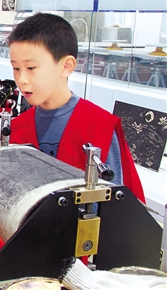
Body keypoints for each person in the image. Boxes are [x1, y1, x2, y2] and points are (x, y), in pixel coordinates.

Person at [8, 13, 145, 202]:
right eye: (16, 68)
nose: (22, 79)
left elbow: (117, 205)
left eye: (31, 68)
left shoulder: (101, 127)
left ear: (66, 66)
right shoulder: (17, 127)